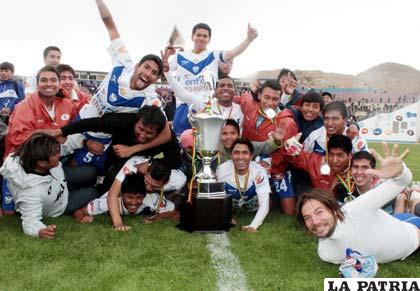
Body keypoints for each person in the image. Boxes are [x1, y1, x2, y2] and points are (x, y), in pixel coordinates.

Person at [71, 0, 165, 169]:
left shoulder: (149, 98)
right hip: (79, 120)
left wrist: (135, 149)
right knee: (50, 159)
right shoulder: (122, 62)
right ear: (137, 66)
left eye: (154, 73)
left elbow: (165, 133)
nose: (148, 74)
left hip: (100, 140)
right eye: (146, 67)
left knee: (77, 171)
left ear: (156, 79)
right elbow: (110, 24)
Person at [296, 143, 419, 264]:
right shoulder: (326, 254)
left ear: (333, 209)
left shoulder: (356, 208)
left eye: (319, 212)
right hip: (387, 225)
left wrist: (399, 171)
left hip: (412, 227)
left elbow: (402, 182)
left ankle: (413, 196)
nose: (315, 222)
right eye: (307, 218)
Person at [48, 105, 181, 192]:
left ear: (158, 132)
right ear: (136, 121)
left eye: (150, 133)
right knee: (105, 180)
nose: (143, 135)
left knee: (176, 180)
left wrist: (151, 164)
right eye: (141, 129)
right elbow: (90, 123)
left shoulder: (167, 137)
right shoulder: (122, 121)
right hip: (115, 158)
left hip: (143, 164)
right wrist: (62, 131)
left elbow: (175, 161)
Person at [2, 66, 77, 215]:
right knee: (10, 214)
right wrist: (48, 133)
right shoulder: (24, 106)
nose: (49, 84)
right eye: (44, 80)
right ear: (37, 84)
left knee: (87, 173)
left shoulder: (68, 105)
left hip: (51, 163)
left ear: (59, 83)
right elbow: (17, 139)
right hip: (22, 163)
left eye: (53, 80)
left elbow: (75, 128)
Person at [166, 22, 258, 135]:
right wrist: (166, 57)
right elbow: (165, 71)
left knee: (208, 146)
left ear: (209, 39)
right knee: (183, 144)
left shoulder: (213, 55)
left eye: (205, 36)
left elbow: (232, 53)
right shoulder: (180, 56)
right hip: (183, 107)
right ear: (192, 37)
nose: (201, 38)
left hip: (207, 107)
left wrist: (248, 39)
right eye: (198, 35)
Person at [0, 133, 97, 239]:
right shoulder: (30, 192)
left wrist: (85, 142)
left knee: (91, 172)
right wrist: (39, 231)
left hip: (60, 176)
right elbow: (30, 221)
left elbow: (64, 145)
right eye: (56, 155)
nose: (59, 154)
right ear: (41, 163)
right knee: (92, 192)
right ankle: (74, 209)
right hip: (61, 203)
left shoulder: (35, 151)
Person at [270, 92, 324, 214]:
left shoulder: (322, 125)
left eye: (315, 106)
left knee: (300, 205)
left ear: (320, 110)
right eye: (307, 105)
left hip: (301, 170)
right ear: (300, 106)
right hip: (280, 165)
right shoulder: (290, 117)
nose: (310, 110)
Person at [217, 139, 270, 232]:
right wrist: (226, 216)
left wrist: (253, 225)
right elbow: (217, 199)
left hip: (253, 203)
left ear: (251, 156)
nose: (240, 157)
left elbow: (264, 203)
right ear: (231, 155)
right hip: (232, 203)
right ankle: (231, 213)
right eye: (236, 153)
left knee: (269, 202)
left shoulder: (259, 171)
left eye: (245, 153)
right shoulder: (222, 170)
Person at [283, 134, 353, 197]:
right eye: (331, 155)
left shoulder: (357, 168)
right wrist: (289, 147)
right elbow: (298, 158)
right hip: (322, 205)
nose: (334, 160)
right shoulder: (317, 163)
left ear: (349, 156)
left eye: (340, 155)